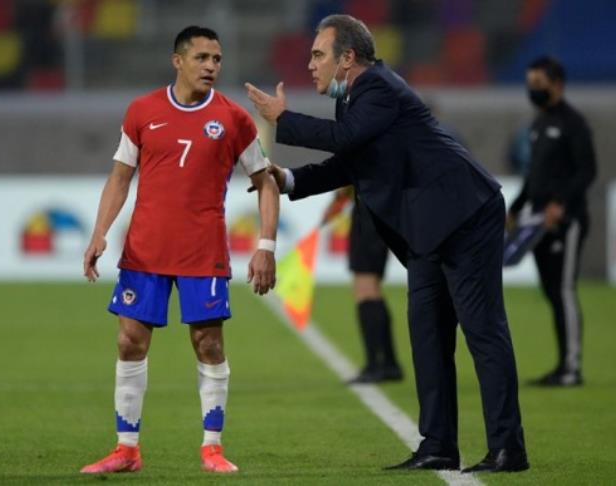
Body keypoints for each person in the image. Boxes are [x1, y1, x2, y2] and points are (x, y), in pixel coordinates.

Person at [246, 14, 528, 473]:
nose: (310, 64)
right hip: (427, 232)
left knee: (483, 332)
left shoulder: (378, 87)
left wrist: (282, 119)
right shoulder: (353, 100)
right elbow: (349, 163)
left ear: (347, 58)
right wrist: (289, 179)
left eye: (318, 55)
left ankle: (507, 448)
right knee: (428, 338)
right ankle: (438, 445)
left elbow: (343, 140)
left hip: (465, 216)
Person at [80, 26, 279, 475]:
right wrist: (99, 233)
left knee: (208, 343)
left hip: (202, 252)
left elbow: (266, 183)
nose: (211, 66)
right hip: (145, 249)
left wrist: (265, 245)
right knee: (129, 341)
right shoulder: (143, 110)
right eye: (202, 57)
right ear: (178, 61)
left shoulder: (233, 119)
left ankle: (212, 448)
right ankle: (126, 449)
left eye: (217, 59)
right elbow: (120, 177)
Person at [507, 56, 597, 387]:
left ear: (557, 84)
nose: (532, 90)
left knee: (563, 290)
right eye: (530, 84)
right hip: (536, 220)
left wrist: (561, 205)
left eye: (538, 84)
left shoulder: (573, 123)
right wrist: (516, 207)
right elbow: (534, 176)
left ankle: (571, 367)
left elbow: (587, 171)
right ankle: (562, 365)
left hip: (564, 221)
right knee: (550, 291)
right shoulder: (539, 124)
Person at [322, 187, 403, 383]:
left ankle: (376, 365)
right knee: (371, 288)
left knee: (365, 288)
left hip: (368, 209)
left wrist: (339, 195)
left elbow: (351, 176)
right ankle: (389, 363)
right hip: (379, 208)